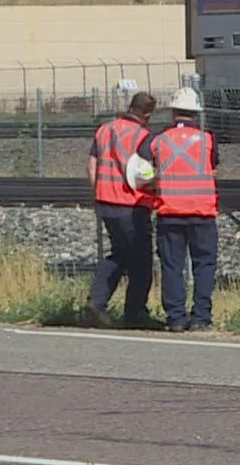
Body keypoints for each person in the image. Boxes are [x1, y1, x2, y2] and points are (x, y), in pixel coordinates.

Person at [143, 88, 219, 333]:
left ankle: (176, 318)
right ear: (195, 114)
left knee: (172, 266)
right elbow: (213, 165)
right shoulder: (207, 139)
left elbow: (143, 169)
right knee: (204, 265)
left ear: (173, 112)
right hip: (202, 211)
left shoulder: (158, 140)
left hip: (169, 212)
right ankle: (201, 317)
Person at [85, 91, 158, 328]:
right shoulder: (144, 136)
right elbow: (145, 172)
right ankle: (135, 314)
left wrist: (97, 192)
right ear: (147, 114)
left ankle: (97, 301)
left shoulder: (105, 130)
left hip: (105, 201)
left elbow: (92, 165)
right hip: (132, 205)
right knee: (140, 262)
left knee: (119, 254)